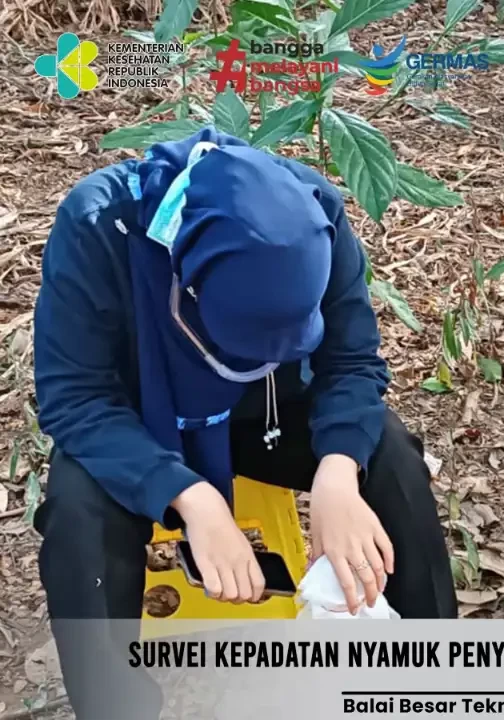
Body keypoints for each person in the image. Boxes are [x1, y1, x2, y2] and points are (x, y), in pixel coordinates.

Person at [33, 127, 457, 718]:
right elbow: (74, 398)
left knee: (392, 459)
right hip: (139, 424)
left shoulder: (316, 216)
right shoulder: (101, 225)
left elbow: (352, 362)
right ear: (190, 283)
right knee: (78, 515)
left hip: (268, 415)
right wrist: (192, 499)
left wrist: (338, 474)